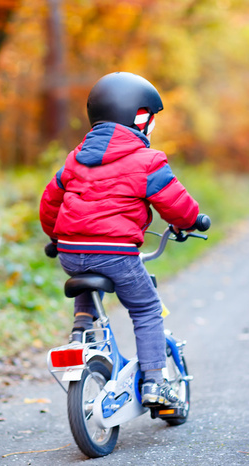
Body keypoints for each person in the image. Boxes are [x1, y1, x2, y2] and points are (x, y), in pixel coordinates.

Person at [39, 72, 200, 407]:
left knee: (85, 277)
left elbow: (50, 201)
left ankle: (81, 330)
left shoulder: (76, 157)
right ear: (139, 117)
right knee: (146, 308)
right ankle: (156, 382)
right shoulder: (147, 161)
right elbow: (175, 203)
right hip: (116, 254)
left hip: (71, 252)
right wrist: (191, 221)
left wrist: (56, 236)